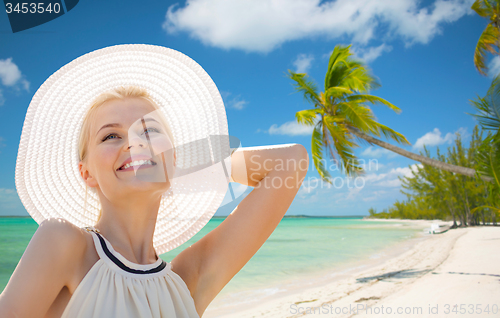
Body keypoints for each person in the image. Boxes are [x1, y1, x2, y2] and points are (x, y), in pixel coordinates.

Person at [0, 44, 308, 318]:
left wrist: (175, 162)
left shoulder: (188, 279)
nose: (134, 143)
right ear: (87, 173)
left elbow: (292, 161)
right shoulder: (64, 244)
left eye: (149, 132)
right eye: (111, 135)